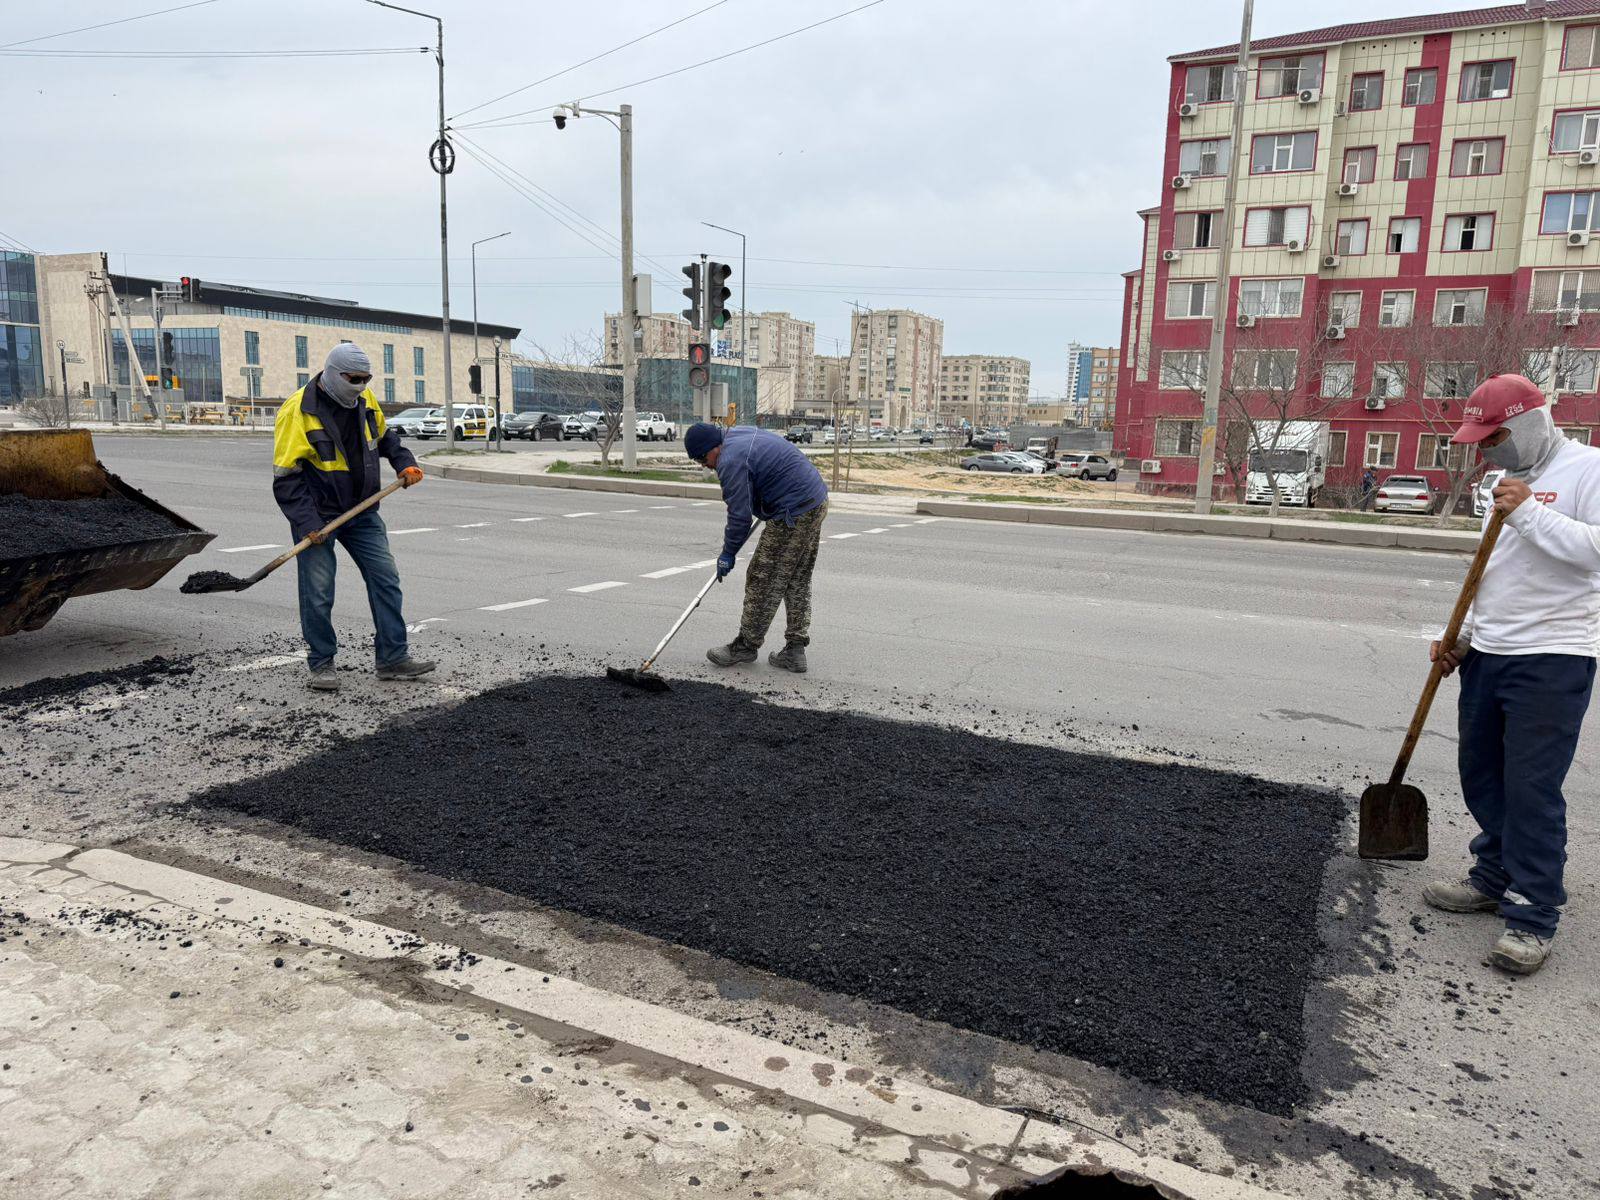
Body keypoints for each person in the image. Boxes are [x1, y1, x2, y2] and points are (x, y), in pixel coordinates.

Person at [1423, 373, 1600, 975]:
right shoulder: (1502, 481)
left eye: (1491, 437)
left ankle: (1532, 912)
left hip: (1554, 656)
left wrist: (1529, 513)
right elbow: (1491, 567)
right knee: (1481, 771)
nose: (1484, 452)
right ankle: (1495, 874)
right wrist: (1463, 637)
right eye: (1477, 441)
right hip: (1490, 653)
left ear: (1527, 423)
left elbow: (1596, 552)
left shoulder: (1588, 470)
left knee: (1531, 787)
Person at [273, 343, 434, 691]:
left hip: (363, 510)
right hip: (318, 515)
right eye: (354, 379)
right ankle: (322, 663)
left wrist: (404, 461)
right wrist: (307, 524)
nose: (361, 386)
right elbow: (286, 479)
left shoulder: (365, 402)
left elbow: (386, 437)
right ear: (333, 374)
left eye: (366, 379)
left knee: (385, 579)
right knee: (318, 590)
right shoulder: (298, 411)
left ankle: (393, 658)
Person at [685, 422, 829, 673]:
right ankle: (795, 650)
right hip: (815, 499)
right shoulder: (737, 435)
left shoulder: (730, 461)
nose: (703, 465)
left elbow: (739, 517)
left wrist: (728, 554)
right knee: (795, 578)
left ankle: (746, 646)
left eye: (701, 458)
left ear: (713, 448)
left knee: (763, 577)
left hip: (792, 512)